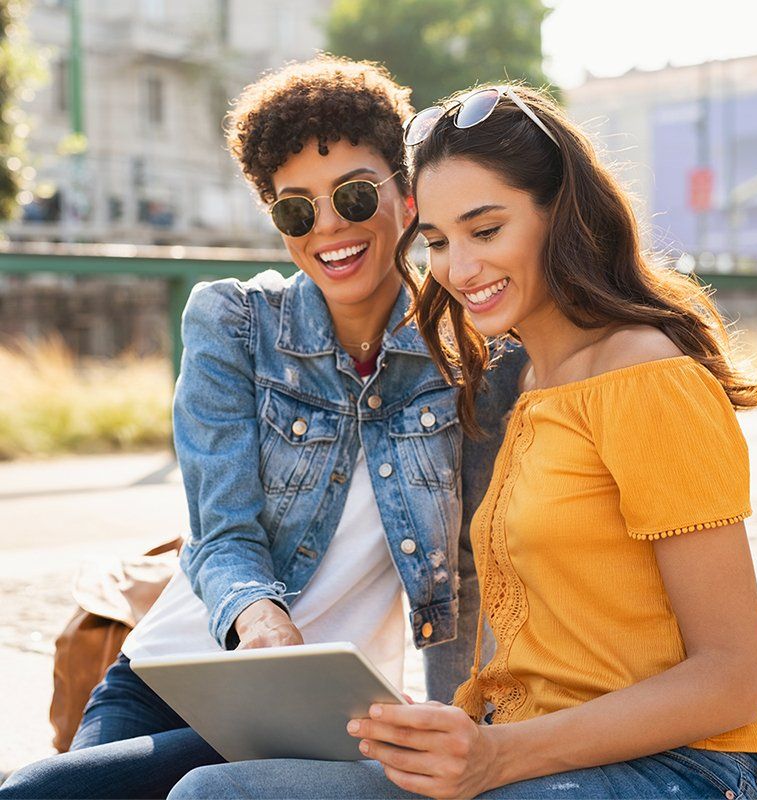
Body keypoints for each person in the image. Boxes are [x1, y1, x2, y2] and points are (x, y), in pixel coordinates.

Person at [167, 83, 757, 800]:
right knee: (218, 793)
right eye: (435, 242)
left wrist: (499, 754)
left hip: (682, 765)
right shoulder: (513, 381)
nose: (458, 270)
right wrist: (458, 735)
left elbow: (736, 680)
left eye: (486, 230)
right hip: (524, 749)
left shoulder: (645, 374)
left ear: (561, 215)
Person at [0, 61, 524, 800]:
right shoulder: (234, 323)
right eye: (296, 209)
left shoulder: (475, 354)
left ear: (407, 198)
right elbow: (221, 530)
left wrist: (459, 726)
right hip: (178, 673)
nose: (330, 226)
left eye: (353, 194)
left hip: (325, 713)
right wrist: (262, 623)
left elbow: (473, 568)